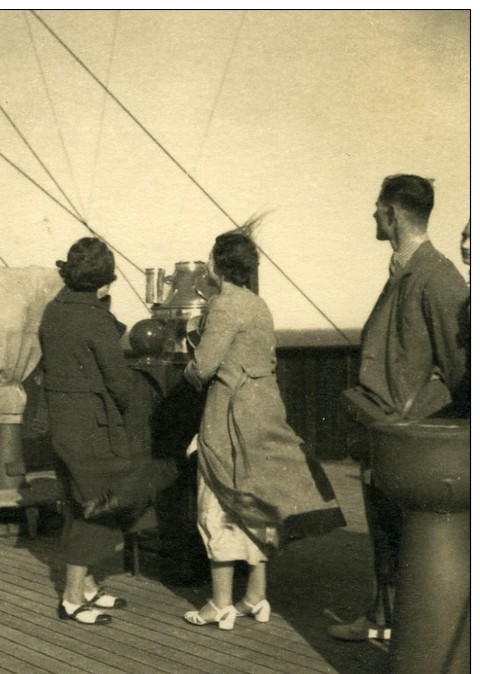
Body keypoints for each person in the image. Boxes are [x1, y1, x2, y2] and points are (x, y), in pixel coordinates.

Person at [182, 222, 346, 630]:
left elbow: (203, 368)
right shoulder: (259, 304)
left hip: (230, 416)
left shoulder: (224, 305)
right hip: (264, 410)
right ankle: (255, 597)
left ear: (216, 266)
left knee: (219, 500)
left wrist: (188, 359)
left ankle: (219, 603)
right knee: (254, 502)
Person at [329, 175, 469, 641]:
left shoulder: (436, 276)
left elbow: (461, 371)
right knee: (386, 530)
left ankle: (409, 631)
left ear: (392, 214)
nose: (372, 214)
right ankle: (384, 617)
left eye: (377, 207)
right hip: (388, 431)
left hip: (411, 436)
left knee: (409, 536)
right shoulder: (407, 271)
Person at [39, 237, 151, 625]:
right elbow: (119, 383)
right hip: (93, 425)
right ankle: (72, 598)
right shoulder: (96, 318)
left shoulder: (53, 311)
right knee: (100, 503)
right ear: (105, 281)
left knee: (76, 500)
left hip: (62, 423)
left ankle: (85, 585)